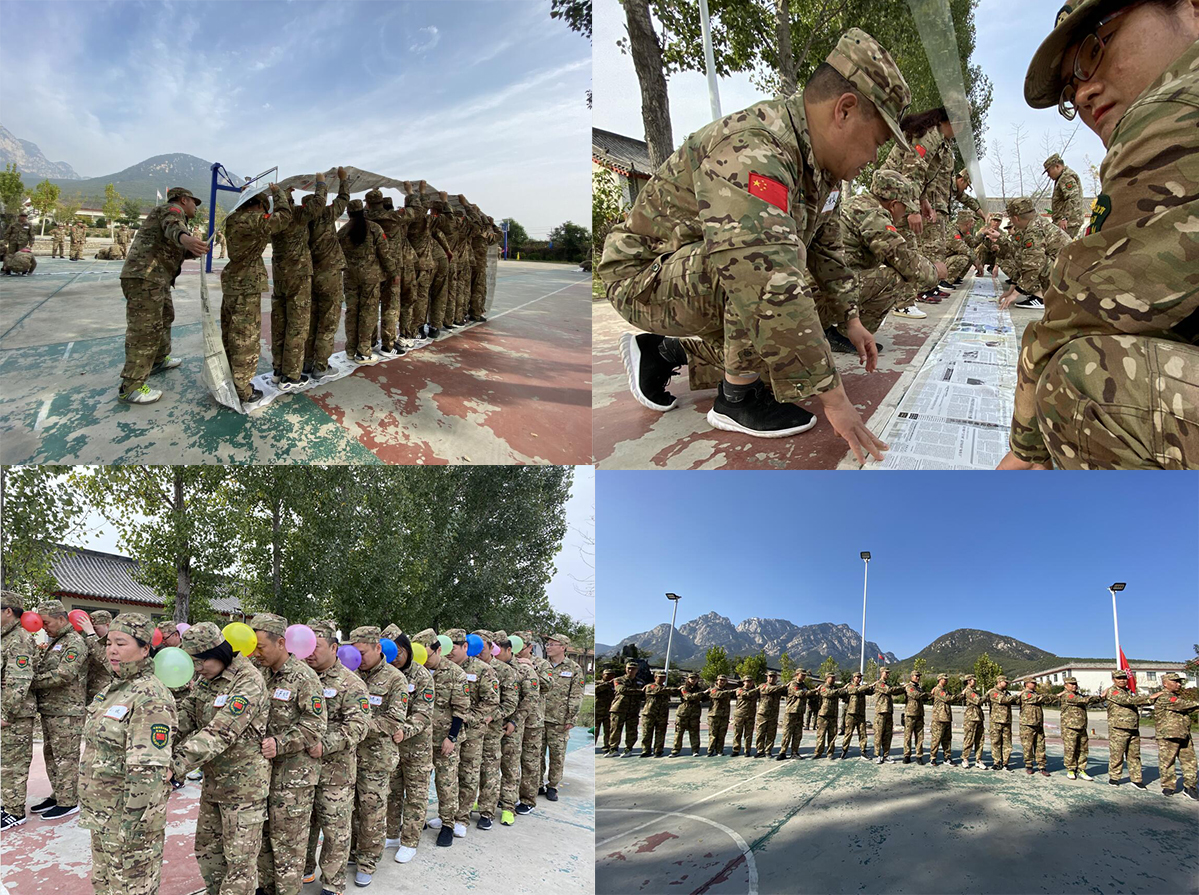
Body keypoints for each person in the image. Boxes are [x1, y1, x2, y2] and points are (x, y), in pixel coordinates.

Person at [601, 28, 910, 457]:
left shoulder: (819, 170)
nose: (873, 158)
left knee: (790, 328)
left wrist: (850, 318)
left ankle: (664, 351)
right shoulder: (755, 148)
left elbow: (827, 249)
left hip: (693, 273)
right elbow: (764, 276)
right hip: (640, 277)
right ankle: (736, 398)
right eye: (876, 141)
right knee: (773, 271)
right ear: (844, 109)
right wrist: (834, 398)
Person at [1001, 0, 1199, 470]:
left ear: (1190, 9)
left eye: (1096, 49)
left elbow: (1084, 302)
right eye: (1070, 91)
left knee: (1079, 379)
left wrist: (1024, 449)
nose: (1084, 94)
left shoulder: (1176, 103)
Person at [78, 612, 175, 895]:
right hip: (104, 814)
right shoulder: (116, 688)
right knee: (104, 884)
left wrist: (132, 830)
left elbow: (148, 771)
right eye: (109, 643)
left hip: (129, 823)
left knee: (131, 888)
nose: (112, 650)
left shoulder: (150, 696)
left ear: (145, 649)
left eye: (121, 644)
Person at [172, 622, 270, 895]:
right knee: (209, 852)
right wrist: (156, 742)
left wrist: (176, 764)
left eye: (201, 661)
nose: (197, 668)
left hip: (244, 788)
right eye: (193, 662)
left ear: (219, 652)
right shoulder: (207, 679)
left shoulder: (248, 681)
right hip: (214, 783)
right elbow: (186, 715)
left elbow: (221, 730)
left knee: (240, 862)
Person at [820, 169, 942, 353]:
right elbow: (904, 260)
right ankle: (844, 337)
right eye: (904, 207)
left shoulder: (857, 203)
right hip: (824, 298)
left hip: (819, 291)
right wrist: (935, 271)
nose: (904, 213)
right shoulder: (873, 215)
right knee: (893, 278)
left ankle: (831, 325)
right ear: (893, 205)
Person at [250, 614, 326, 895]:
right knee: (263, 840)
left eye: (260, 647)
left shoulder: (304, 678)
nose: (255, 654)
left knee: (289, 846)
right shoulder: (257, 674)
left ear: (281, 643)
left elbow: (315, 726)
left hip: (293, 779)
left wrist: (280, 743)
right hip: (261, 775)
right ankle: (267, 887)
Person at [117, 187, 209, 404]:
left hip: (157, 278)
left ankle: (158, 359)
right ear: (183, 200)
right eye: (194, 203)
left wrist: (191, 249)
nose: (196, 207)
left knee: (165, 316)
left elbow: (170, 245)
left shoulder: (177, 217)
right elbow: (172, 227)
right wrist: (186, 239)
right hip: (145, 277)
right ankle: (131, 386)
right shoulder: (172, 210)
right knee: (145, 330)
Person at [300, 620, 369, 895]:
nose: (310, 653)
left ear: (334, 648)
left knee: (335, 830)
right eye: (306, 647)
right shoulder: (298, 678)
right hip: (298, 771)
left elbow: (359, 725)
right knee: (302, 826)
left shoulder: (351, 683)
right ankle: (304, 870)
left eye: (316, 647)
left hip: (335, 773)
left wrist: (325, 745)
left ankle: (332, 883)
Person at [220, 183, 294, 405]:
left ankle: (230, 378)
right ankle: (243, 389)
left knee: (230, 333)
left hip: (233, 281)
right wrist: (279, 194)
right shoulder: (252, 219)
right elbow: (283, 218)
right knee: (246, 337)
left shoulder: (233, 218)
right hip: (246, 284)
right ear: (259, 205)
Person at [348, 625, 406, 886]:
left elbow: (394, 720)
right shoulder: (349, 674)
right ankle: (352, 851)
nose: (358, 659)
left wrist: (357, 725)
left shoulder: (395, 679)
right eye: (354, 654)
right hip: (348, 756)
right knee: (349, 810)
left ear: (378, 648)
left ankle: (367, 861)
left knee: (372, 811)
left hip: (376, 759)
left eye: (362, 653)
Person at [28, 599, 87, 819]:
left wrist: (30, 681)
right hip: (51, 709)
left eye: (47, 622)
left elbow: (64, 674)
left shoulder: (74, 642)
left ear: (61, 619)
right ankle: (58, 794)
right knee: (52, 755)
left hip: (67, 711)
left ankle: (69, 801)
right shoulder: (56, 642)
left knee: (66, 757)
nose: (43, 627)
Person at [412, 629, 468, 847]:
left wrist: (451, 737)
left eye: (427, 655)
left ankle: (447, 824)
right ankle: (418, 821)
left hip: (445, 738)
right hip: (420, 740)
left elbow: (461, 709)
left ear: (438, 650)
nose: (424, 660)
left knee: (446, 783)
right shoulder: (416, 672)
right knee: (418, 784)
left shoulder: (455, 673)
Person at [384, 629, 435, 861]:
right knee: (392, 793)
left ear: (407, 649)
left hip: (416, 747)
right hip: (390, 747)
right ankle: (392, 834)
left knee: (415, 795)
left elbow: (423, 714)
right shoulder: (384, 674)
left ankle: (410, 841)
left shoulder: (421, 676)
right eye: (390, 653)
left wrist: (403, 730)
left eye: (398, 652)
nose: (394, 658)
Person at [271, 176, 325, 390]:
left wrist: (284, 194)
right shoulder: (297, 215)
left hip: (279, 276)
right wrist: (321, 184)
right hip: (299, 276)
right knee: (297, 325)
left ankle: (278, 370)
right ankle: (291, 376)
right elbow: (318, 204)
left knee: (280, 323)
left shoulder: (275, 219)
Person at [979, 198, 1071, 310]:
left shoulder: (1033, 230)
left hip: (1069, 277)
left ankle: (1041, 297)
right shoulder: (1035, 223)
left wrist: (1015, 294)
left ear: (1016, 218)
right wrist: (1011, 291)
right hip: (1066, 271)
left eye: (1011, 219)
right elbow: (1016, 251)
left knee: (1032, 261)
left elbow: (1033, 264)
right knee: (1021, 255)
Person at [304, 167, 351, 380]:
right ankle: (321, 366)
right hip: (330, 274)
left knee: (311, 320)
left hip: (311, 275)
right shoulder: (326, 215)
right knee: (328, 321)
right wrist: (342, 180)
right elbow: (343, 199)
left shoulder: (301, 221)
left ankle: (306, 363)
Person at [338, 199, 398, 367]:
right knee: (368, 313)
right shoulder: (374, 228)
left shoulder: (342, 232)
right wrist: (393, 273)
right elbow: (384, 253)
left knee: (352, 312)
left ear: (348, 213)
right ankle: (364, 352)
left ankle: (351, 349)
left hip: (350, 277)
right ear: (363, 211)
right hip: (370, 278)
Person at [1, 591, 38, 830]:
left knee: (13, 764)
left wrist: (6, 714)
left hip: (14, 714)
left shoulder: (19, 639)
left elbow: (18, 680)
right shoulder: (5, 638)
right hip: (5, 710)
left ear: (8, 611)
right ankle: (6, 804)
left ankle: (14, 812)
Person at [474, 630, 518, 830]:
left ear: (492, 648)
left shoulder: (504, 670)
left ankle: (487, 811)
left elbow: (510, 702)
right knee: (470, 769)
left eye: (482, 648)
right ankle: (472, 803)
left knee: (490, 769)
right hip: (470, 729)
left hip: (492, 729)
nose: (478, 651)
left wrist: (493, 716)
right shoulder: (468, 667)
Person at [364, 188, 409, 358]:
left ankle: (369, 342)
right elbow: (418, 211)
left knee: (370, 307)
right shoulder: (394, 217)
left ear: (368, 204)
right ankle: (388, 345)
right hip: (392, 269)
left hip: (372, 269)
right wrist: (411, 192)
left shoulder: (364, 218)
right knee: (390, 307)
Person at [492, 631, 529, 829]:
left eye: (498, 649)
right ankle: (486, 800)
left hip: (511, 726)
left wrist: (514, 721)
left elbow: (529, 699)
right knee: (488, 766)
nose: (494, 653)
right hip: (491, 726)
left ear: (508, 649)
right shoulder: (489, 667)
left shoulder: (523, 670)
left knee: (510, 766)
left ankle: (508, 806)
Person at [513, 630, 551, 814]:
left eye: (520, 648)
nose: (517, 651)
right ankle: (508, 796)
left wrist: (532, 668)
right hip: (513, 719)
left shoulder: (542, 664)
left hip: (532, 721)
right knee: (510, 760)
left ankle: (527, 799)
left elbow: (548, 685)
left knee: (530, 761)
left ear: (529, 647)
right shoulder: (509, 662)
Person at [541, 633, 583, 797]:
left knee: (557, 756)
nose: (548, 647)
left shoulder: (574, 668)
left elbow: (576, 695)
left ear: (563, 647)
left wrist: (571, 718)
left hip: (559, 720)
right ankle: (537, 784)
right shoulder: (542, 665)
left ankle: (552, 786)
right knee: (535, 755)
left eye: (552, 644)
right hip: (539, 718)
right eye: (548, 644)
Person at [1147, 671, 1199, 799]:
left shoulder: (1176, 697)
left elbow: (1191, 707)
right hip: (1168, 735)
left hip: (1184, 734)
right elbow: (1184, 705)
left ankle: (1190, 786)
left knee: (1190, 761)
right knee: (1167, 762)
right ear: (1165, 684)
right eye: (1175, 681)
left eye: (1179, 682)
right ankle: (1168, 786)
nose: (1179, 684)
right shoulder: (1165, 697)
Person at [1103, 670, 1152, 788]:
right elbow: (1127, 701)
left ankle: (1136, 779)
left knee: (1134, 755)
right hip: (1119, 728)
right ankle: (1114, 777)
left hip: (1133, 727)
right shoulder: (1113, 691)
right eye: (1119, 678)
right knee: (1117, 754)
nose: (1122, 680)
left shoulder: (1129, 691)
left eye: (1124, 678)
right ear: (1113, 680)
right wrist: (1151, 698)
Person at [607, 661, 644, 756]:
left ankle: (628, 748)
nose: (631, 670)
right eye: (629, 668)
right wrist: (639, 691)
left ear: (637, 670)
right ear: (625, 669)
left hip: (633, 710)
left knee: (632, 730)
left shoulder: (640, 682)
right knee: (615, 730)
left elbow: (644, 694)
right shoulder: (618, 680)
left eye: (633, 669)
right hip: (619, 709)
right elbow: (622, 690)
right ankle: (613, 748)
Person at [776, 668, 812, 760]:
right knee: (787, 733)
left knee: (797, 734)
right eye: (802, 675)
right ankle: (783, 752)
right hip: (791, 712)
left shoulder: (804, 685)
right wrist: (815, 691)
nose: (804, 677)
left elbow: (808, 694)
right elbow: (800, 693)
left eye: (805, 675)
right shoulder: (793, 684)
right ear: (797, 674)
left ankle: (794, 752)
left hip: (800, 712)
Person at [1016, 678, 1050, 776]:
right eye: (1032, 683)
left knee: (1040, 746)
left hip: (1038, 723)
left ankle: (1042, 766)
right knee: (1028, 746)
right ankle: (1029, 765)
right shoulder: (1026, 694)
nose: (1035, 684)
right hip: (1027, 724)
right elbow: (1039, 698)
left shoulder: (1035, 693)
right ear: (1027, 684)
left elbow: (1046, 699)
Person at [1044, 153, 1085, 234]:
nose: (1048, 175)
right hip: (1065, 221)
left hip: (1068, 222)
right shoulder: (1062, 177)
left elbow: (1073, 197)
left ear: (1057, 167)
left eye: (1049, 171)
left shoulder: (1066, 177)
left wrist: (1064, 218)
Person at [669, 671, 708, 756]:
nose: (693, 680)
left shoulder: (699, 689)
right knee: (679, 733)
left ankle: (695, 750)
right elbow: (688, 697)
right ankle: (675, 750)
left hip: (694, 714)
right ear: (688, 679)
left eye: (695, 678)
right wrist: (702, 693)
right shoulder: (684, 688)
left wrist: (708, 693)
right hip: (683, 713)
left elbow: (705, 699)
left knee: (694, 733)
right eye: (691, 678)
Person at [78, 609, 113, 703]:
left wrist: (91, 634)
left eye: (96, 629)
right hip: (88, 693)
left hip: (104, 694)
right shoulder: (91, 641)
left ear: (108, 625)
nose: (94, 631)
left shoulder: (115, 643)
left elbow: (104, 658)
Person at [873, 667, 905, 763]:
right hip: (881, 712)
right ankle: (878, 755)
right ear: (881, 673)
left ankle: (886, 755)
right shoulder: (880, 684)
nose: (888, 674)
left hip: (888, 711)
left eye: (888, 673)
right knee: (879, 734)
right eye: (886, 673)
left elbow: (895, 692)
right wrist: (903, 687)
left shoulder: (887, 684)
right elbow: (889, 690)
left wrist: (904, 689)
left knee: (888, 735)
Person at [754, 670, 788, 758]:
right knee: (760, 733)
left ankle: (768, 750)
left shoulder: (778, 688)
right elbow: (768, 690)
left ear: (776, 678)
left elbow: (788, 692)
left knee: (771, 734)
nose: (772, 678)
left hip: (773, 714)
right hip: (763, 714)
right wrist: (783, 686)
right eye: (770, 676)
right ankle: (760, 750)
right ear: (767, 677)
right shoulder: (763, 686)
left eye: (774, 677)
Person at [812, 672, 847, 758]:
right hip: (823, 715)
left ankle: (830, 753)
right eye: (832, 678)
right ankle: (818, 752)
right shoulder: (823, 687)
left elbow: (842, 694)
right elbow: (829, 693)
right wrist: (842, 689)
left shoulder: (835, 688)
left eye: (834, 678)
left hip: (833, 715)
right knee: (821, 735)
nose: (833, 679)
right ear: (827, 678)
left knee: (832, 736)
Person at [927, 673, 959, 766]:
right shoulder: (938, 690)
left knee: (947, 739)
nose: (946, 680)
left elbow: (953, 698)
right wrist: (961, 695)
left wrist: (958, 696)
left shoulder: (945, 690)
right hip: (939, 718)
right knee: (936, 739)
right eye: (945, 679)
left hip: (946, 718)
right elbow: (947, 698)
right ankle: (933, 758)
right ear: (940, 679)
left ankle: (947, 757)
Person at [944, 212, 984, 284]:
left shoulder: (964, 232)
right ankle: (945, 281)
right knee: (964, 258)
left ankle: (956, 277)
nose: (973, 224)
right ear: (967, 223)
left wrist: (983, 234)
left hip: (948, 259)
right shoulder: (952, 231)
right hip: (941, 261)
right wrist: (977, 261)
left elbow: (972, 243)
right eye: (973, 221)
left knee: (970, 257)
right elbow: (963, 248)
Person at [639, 671, 672, 758]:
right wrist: (673, 689)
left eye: (663, 677)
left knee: (660, 733)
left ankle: (658, 750)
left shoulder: (666, 688)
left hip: (662, 714)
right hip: (650, 713)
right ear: (655, 677)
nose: (662, 679)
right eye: (660, 677)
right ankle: (646, 750)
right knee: (647, 733)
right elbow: (656, 691)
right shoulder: (650, 686)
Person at [901, 670, 932, 764]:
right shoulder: (909, 687)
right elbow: (916, 695)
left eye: (919, 676)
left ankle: (919, 755)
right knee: (908, 736)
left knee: (919, 736)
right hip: (910, 715)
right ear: (912, 676)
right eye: (916, 676)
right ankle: (907, 755)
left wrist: (931, 695)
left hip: (919, 714)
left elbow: (923, 697)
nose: (918, 677)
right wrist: (929, 694)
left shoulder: (919, 688)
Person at [839, 671, 870, 759]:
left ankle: (863, 750)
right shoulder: (850, 686)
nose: (859, 679)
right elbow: (856, 690)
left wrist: (873, 687)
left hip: (861, 714)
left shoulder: (862, 688)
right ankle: (844, 750)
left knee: (863, 734)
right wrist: (867, 686)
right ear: (853, 678)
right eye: (857, 677)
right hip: (851, 714)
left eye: (860, 677)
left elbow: (870, 691)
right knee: (848, 733)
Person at [960, 674, 987, 768]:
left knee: (980, 739)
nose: (975, 682)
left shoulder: (973, 691)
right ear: (968, 681)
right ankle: (965, 758)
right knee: (969, 739)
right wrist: (987, 695)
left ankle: (978, 759)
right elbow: (978, 701)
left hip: (978, 717)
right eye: (973, 680)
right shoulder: (969, 691)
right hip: (971, 718)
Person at [706, 674, 736, 756]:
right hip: (714, 715)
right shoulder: (713, 689)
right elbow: (718, 695)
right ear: (717, 681)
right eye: (721, 680)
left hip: (724, 716)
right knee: (713, 734)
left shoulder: (726, 690)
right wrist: (733, 691)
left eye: (724, 680)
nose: (722, 682)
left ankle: (719, 750)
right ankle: (710, 750)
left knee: (722, 734)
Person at [729, 677, 760, 756]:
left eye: (751, 681)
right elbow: (746, 694)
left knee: (748, 734)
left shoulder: (755, 692)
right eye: (747, 681)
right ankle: (736, 750)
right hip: (739, 715)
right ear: (743, 682)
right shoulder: (739, 690)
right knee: (737, 733)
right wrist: (757, 689)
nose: (749, 683)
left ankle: (747, 750)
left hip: (750, 715)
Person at [594, 668, 617, 754]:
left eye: (612, 675)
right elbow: (596, 689)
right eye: (608, 674)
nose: (610, 676)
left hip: (610, 711)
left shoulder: (615, 684)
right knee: (595, 730)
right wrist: (607, 684)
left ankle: (607, 746)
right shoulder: (597, 683)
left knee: (609, 731)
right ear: (603, 675)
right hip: (598, 711)